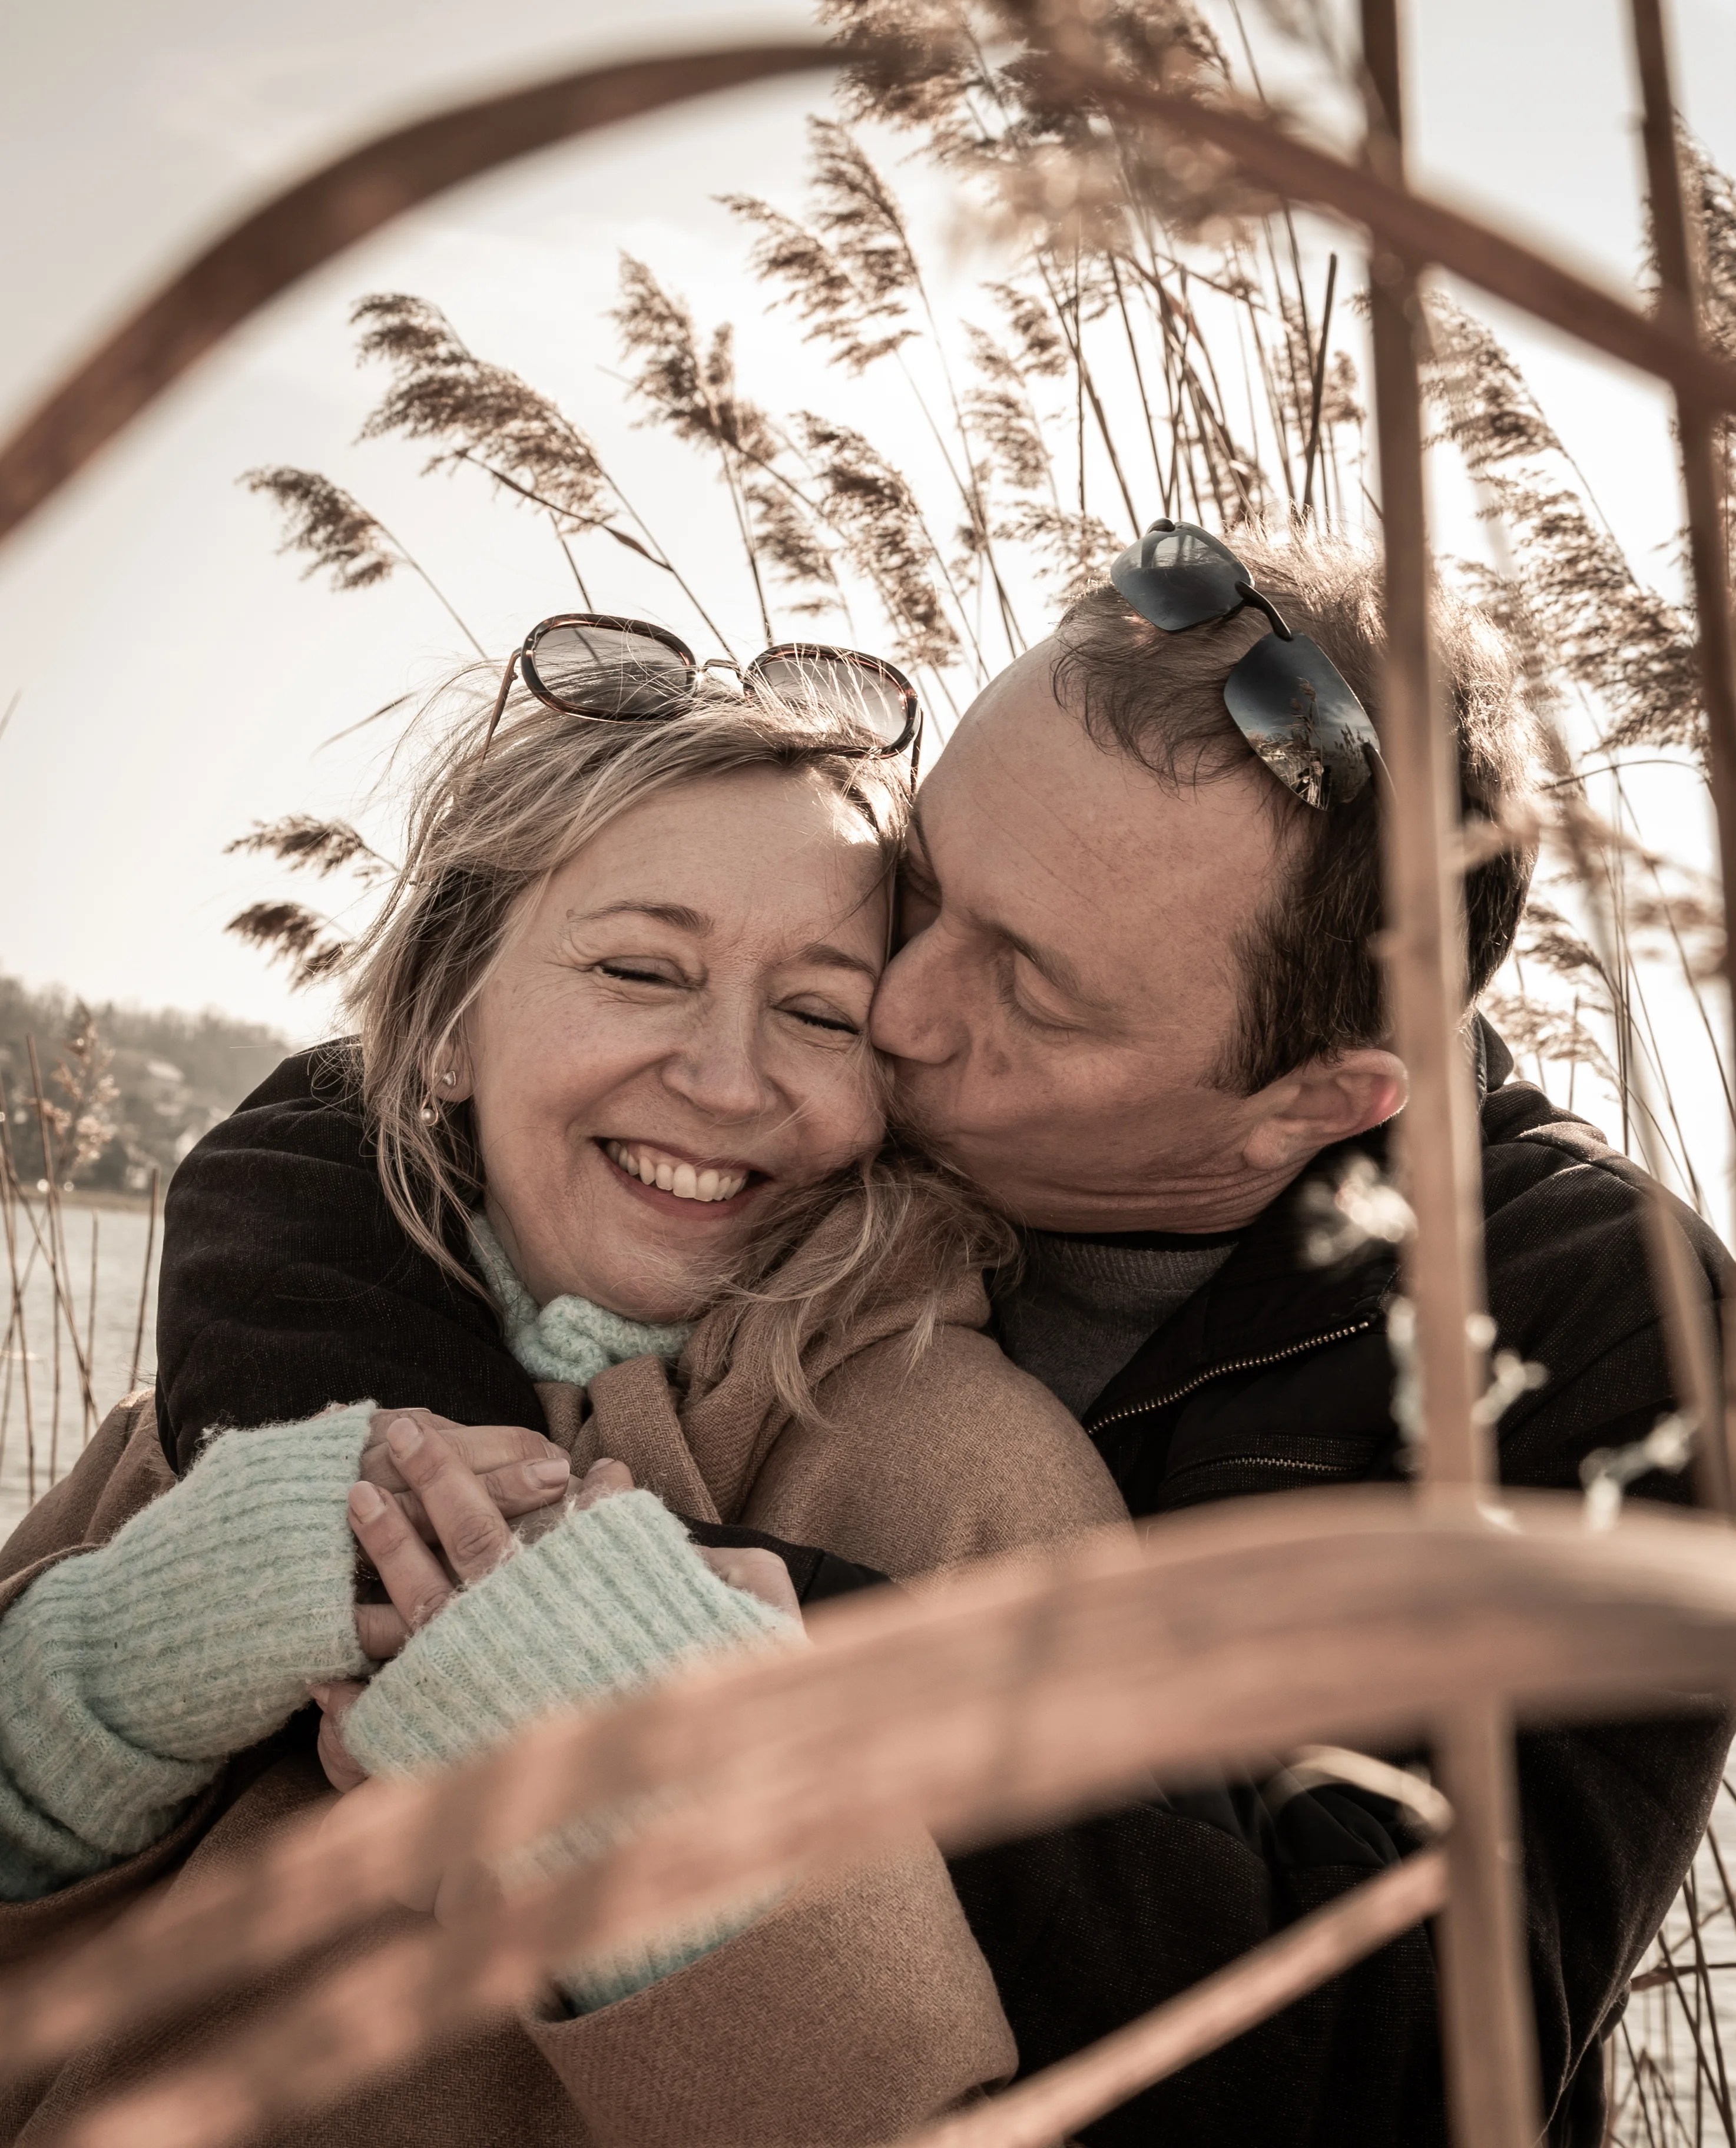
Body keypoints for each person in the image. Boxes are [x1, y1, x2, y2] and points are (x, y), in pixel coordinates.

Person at [65, 529, 1732, 2144]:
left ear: (1312, 1105)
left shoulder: (1606, 1322)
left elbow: (1432, 2060)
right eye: (922, 888)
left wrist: (822, 1672)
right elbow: (392, 1101)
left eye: (1031, 989)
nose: (899, 1005)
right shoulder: (839, 1104)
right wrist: (398, 1515)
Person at [0, 652, 1128, 2146]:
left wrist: (682, 1866)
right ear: (449, 1021)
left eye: (820, 1012)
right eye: (640, 972)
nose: (726, 1079)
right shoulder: (231, 1410)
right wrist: (96, 1685)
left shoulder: (974, 1480)